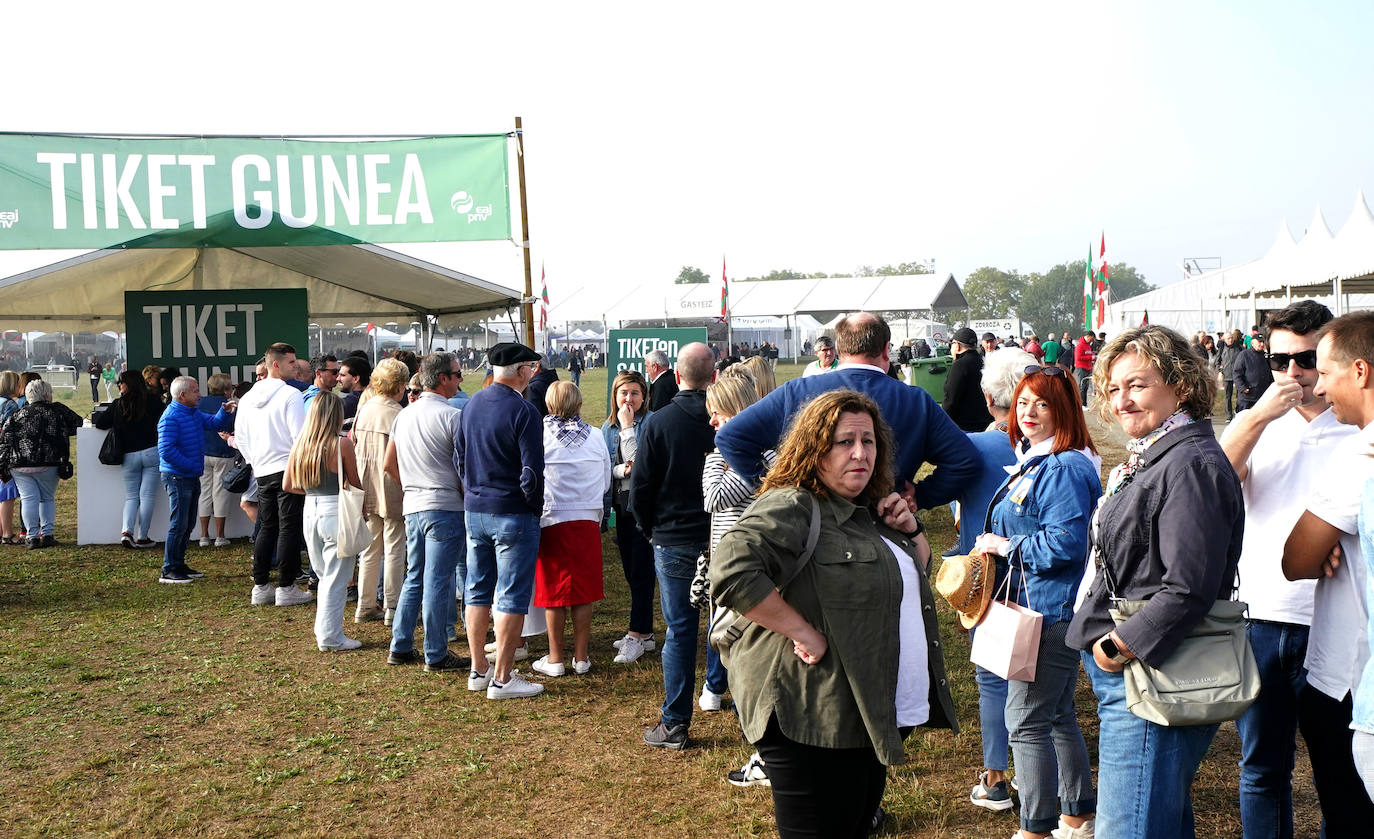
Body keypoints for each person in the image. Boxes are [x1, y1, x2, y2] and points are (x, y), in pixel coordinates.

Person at [710, 389, 957, 839]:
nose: (860, 453)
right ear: (815, 448)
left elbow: (913, 571)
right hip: (808, 713)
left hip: (861, 706)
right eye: (845, 442)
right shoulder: (795, 503)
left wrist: (910, 527)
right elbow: (730, 570)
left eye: (869, 442)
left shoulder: (867, 509)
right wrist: (802, 631)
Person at [1066, 324, 1244, 837]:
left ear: (1181, 385)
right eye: (1114, 388)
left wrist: (1118, 646)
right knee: (1156, 819)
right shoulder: (1159, 454)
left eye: (1137, 385)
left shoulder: (1189, 464)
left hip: (1150, 673)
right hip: (1134, 671)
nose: (1122, 401)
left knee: (1129, 827)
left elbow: (1188, 587)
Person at [1219, 301, 1351, 839]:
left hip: (1340, 620)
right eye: (1279, 360)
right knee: (1262, 767)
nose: (1292, 374)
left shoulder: (1359, 424)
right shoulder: (1254, 424)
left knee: (1341, 770)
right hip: (1263, 618)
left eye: (1306, 360)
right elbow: (1214, 483)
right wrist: (1256, 416)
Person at [973, 364, 1100, 839]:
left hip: (1048, 611)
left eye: (1042, 403)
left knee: (1024, 720)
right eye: (1023, 401)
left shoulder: (1064, 466)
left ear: (1063, 410)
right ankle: (1076, 813)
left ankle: (1036, 828)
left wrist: (1004, 547)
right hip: (1038, 607)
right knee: (1056, 714)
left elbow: (1067, 545)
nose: (1028, 412)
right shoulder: (1039, 459)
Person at [718, 313, 979, 512]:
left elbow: (731, 437)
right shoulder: (916, 401)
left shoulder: (796, 391)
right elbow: (965, 460)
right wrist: (920, 495)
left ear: (839, 350)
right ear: (887, 350)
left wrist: (774, 489)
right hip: (884, 524)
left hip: (813, 525)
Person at [1281, 310, 1374, 834]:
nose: (1317, 383)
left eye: (1325, 370)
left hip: (1350, 681)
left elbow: (1296, 559)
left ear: (1359, 371)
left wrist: (1325, 536)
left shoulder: (1360, 454)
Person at [950, 347, 1034, 811]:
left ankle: (997, 774)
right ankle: (1032, 768)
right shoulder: (1065, 447)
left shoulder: (973, 446)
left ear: (987, 398)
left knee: (993, 677)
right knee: (1037, 678)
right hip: (1041, 575)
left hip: (987, 580)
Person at [630, 342, 719, 749]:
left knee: (682, 629)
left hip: (674, 535)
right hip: (715, 532)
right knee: (727, 622)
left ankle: (676, 721)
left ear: (677, 376)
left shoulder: (659, 422)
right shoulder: (725, 419)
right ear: (713, 376)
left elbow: (641, 486)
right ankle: (716, 693)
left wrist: (648, 528)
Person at [700, 375, 778, 787]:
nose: (711, 421)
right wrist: (752, 470)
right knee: (734, 658)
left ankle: (768, 754)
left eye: (718, 413)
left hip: (759, 569)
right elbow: (711, 498)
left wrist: (745, 465)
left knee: (755, 664)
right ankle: (767, 749)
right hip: (726, 570)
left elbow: (775, 489)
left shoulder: (766, 452)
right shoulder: (720, 454)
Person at [458, 342, 547, 700]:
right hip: (512, 511)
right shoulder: (524, 410)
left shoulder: (471, 404)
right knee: (511, 594)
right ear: (523, 370)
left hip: (475, 507)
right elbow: (532, 471)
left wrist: (474, 491)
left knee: (477, 590)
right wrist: (532, 506)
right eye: (532, 368)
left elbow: (459, 460)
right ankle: (503, 677)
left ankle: (480, 668)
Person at [385, 352, 469, 673]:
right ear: (444, 378)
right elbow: (464, 471)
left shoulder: (403, 415)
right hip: (444, 506)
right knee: (437, 580)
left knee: (415, 576)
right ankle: (435, 652)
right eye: (458, 375)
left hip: (413, 506)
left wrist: (413, 487)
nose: (460, 380)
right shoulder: (452, 416)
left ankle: (401, 644)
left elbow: (388, 464)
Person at [530, 381, 611, 678]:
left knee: (554, 593)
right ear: (578, 403)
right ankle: (581, 657)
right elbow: (605, 481)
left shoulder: (539, 434)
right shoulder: (597, 435)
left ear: (549, 404)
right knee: (583, 592)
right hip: (587, 517)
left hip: (552, 518)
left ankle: (555, 657)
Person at [284, 391, 364, 651]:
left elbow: (288, 484)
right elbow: (354, 483)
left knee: (323, 573)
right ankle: (330, 636)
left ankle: (326, 630)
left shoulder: (301, 444)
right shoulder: (341, 444)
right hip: (335, 509)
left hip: (311, 509)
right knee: (336, 577)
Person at [237, 342, 314, 608]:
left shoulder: (247, 398)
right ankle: (285, 586)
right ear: (276, 364)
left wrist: (255, 462)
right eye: (292, 362)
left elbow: (242, 437)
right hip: (286, 466)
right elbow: (299, 436)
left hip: (262, 468)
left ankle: (261, 586)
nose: (298, 366)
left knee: (267, 527)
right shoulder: (290, 395)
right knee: (288, 528)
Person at [602, 370, 659, 663]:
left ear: (644, 396)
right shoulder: (607, 427)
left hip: (644, 507)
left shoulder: (650, 423)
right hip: (621, 506)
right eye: (623, 393)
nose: (629, 399)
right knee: (630, 570)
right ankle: (645, 632)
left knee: (641, 571)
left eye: (635, 393)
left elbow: (641, 465)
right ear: (615, 395)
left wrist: (628, 429)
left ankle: (637, 634)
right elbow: (606, 468)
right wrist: (619, 470)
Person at [157, 376, 235, 584]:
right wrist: (191, 466)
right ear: (182, 395)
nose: (200, 394)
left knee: (187, 523)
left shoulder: (191, 412)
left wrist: (224, 411)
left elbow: (214, 423)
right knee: (179, 524)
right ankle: (169, 568)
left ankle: (178, 564)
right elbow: (166, 451)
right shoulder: (171, 417)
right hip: (178, 476)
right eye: (195, 391)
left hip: (188, 475)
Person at [352, 358, 408, 625]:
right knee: (395, 544)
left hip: (367, 481)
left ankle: (365, 604)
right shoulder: (397, 412)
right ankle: (393, 606)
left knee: (371, 545)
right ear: (399, 385)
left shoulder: (365, 408)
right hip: (390, 480)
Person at [0, 380, 81, 549]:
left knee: (28, 499)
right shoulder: (56, 410)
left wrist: (3, 465)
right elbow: (78, 422)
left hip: (20, 465)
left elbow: (5, 439)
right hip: (48, 462)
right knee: (46, 499)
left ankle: (32, 536)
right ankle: (47, 534)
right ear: (46, 395)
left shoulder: (17, 414)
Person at [93, 371, 165, 549]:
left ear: (128, 385)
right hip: (151, 452)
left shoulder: (119, 404)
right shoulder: (154, 401)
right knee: (147, 496)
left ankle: (127, 531)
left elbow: (101, 423)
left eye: (121, 383)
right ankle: (143, 536)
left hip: (128, 455)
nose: (119, 385)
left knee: (132, 497)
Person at [197, 373, 238, 548]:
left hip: (203, 453)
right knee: (220, 494)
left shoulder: (199, 402)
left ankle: (204, 535)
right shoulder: (231, 406)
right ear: (226, 389)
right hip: (223, 452)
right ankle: (220, 536)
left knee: (204, 493)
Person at [944, 327, 996, 432]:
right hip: (987, 423)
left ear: (957, 345)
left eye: (952, 344)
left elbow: (950, 400)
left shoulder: (960, 365)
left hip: (965, 427)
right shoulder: (984, 361)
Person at [0, 371, 22, 545]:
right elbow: (12, 432)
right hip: (5, 453)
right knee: (7, 495)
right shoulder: (10, 406)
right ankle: (7, 533)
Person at [1234, 332, 1275, 412]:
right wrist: (1243, 387)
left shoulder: (1266, 356)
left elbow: (1270, 374)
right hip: (1247, 397)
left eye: (1263, 342)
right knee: (1244, 419)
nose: (1262, 344)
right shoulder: (1244, 355)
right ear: (1252, 343)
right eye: (1259, 342)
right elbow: (1237, 373)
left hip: (1262, 395)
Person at [1219, 330, 1243, 420]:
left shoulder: (1239, 347)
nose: (1230, 340)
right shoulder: (1222, 349)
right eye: (1228, 338)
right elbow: (1217, 362)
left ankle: (1239, 412)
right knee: (1227, 396)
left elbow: (1244, 357)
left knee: (1239, 395)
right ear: (1224, 340)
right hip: (1227, 375)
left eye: (1232, 338)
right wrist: (1220, 368)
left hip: (1238, 374)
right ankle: (1229, 415)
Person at [337, 355, 370, 420]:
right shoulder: (374, 399)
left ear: (356, 379)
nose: (338, 379)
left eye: (342, 375)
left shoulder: (346, 405)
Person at [1072, 330, 1096, 406]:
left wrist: (1093, 356)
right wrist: (1090, 357)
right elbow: (1078, 358)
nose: (1092, 341)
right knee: (1082, 386)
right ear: (1088, 336)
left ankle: (1084, 403)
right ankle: (1082, 404)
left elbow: (1088, 353)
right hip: (1082, 367)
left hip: (1088, 367)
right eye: (1092, 339)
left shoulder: (1088, 345)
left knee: (1086, 386)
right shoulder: (1080, 345)